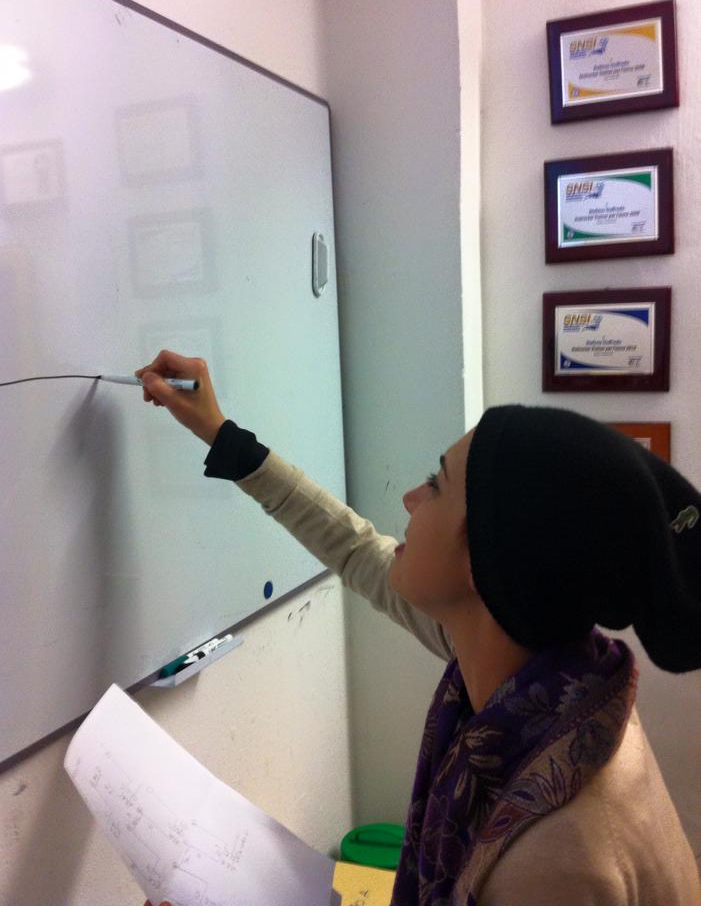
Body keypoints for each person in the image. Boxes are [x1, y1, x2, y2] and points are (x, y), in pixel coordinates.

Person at [137, 349, 701, 906]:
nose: (409, 498)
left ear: (486, 560)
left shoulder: (546, 861)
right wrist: (220, 433)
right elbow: (355, 549)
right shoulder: (542, 677)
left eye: (435, 483)